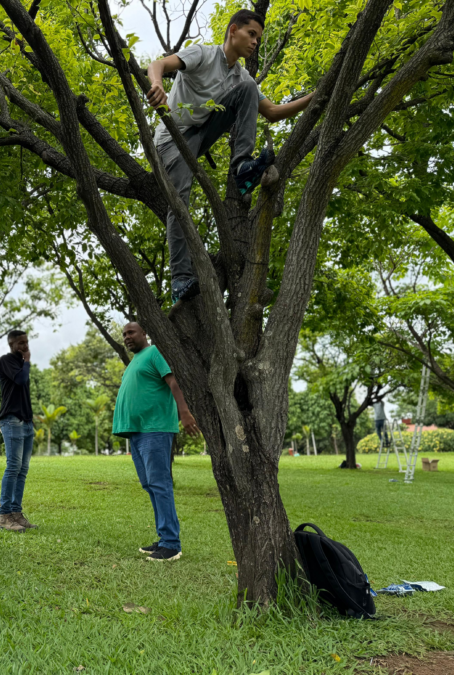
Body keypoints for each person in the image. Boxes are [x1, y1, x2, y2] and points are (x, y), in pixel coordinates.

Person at [146, 9, 315, 304]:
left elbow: (272, 112)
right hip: (173, 137)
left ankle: (242, 167)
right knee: (180, 201)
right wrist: (157, 84)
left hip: (202, 133)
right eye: (251, 35)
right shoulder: (203, 54)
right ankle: (180, 280)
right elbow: (158, 63)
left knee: (247, 87)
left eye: (258, 39)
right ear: (233, 30)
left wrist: (317, 96)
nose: (255, 43)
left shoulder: (240, 75)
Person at [112, 322, 200, 561]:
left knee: (160, 485)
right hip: (138, 431)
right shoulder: (136, 360)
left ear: (144, 334)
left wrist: (184, 412)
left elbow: (173, 381)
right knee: (151, 485)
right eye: (124, 334)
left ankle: (171, 544)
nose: (126, 337)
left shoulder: (155, 352)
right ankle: (164, 538)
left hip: (156, 429)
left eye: (131, 332)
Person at [0, 330, 36, 533]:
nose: (24, 346)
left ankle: (16, 513)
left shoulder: (21, 364)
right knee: (13, 467)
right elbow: (20, 380)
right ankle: (4, 515)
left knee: (22, 470)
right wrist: (27, 361)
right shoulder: (6, 361)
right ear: (11, 344)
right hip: (11, 420)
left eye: (26, 342)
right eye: (21, 343)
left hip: (26, 422)